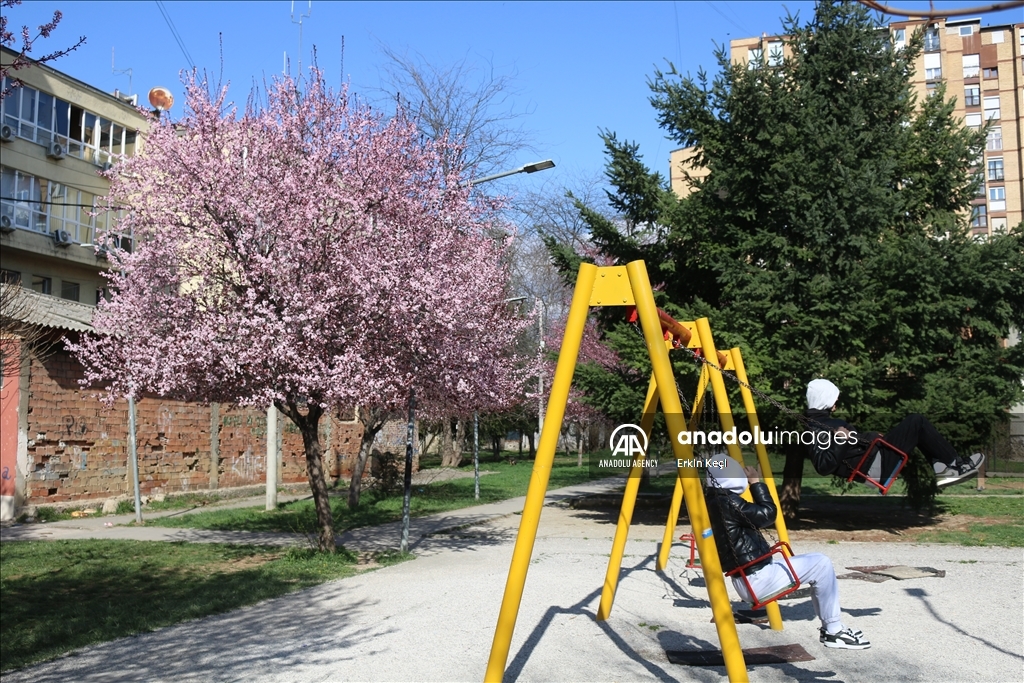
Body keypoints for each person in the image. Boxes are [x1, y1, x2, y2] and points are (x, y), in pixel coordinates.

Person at [704, 455, 870, 649]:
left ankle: (832, 628)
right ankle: (833, 630)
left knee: (816, 562)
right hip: (757, 578)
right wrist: (756, 483)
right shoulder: (729, 503)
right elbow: (767, 514)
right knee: (821, 563)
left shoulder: (716, 501)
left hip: (749, 577)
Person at [805, 379, 984, 489]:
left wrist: (872, 435)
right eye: (834, 397)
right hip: (874, 467)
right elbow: (823, 466)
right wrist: (840, 440)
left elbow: (852, 443)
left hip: (875, 459)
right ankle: (954, 464)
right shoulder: (815, 429)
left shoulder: (824, 423)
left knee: (917, 428)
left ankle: (943, 467)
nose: (837, 401)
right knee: (916, 421)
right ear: (825, 399)